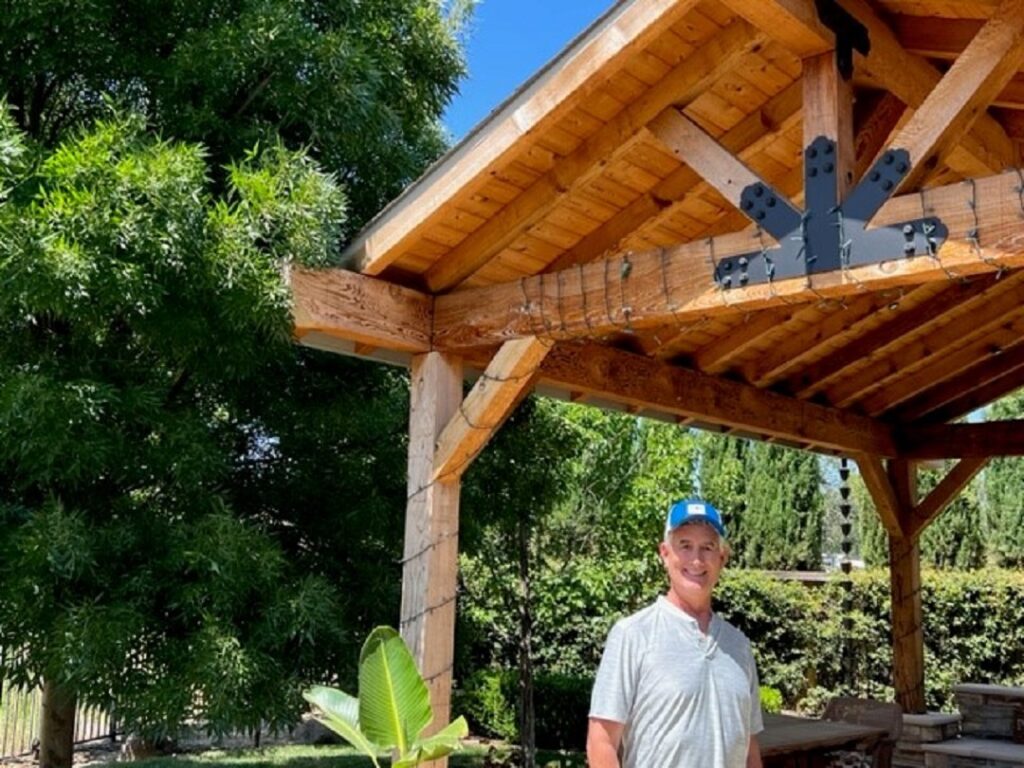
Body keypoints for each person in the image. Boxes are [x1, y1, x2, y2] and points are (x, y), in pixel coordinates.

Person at [587, 498, 764, 768]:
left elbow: (749, 749)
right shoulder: (632, 635)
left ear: (722, 558)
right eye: (685, 546)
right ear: (665, 554)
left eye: (707, 547)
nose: (696, 559)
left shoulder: (738, 646)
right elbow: (601, 742)